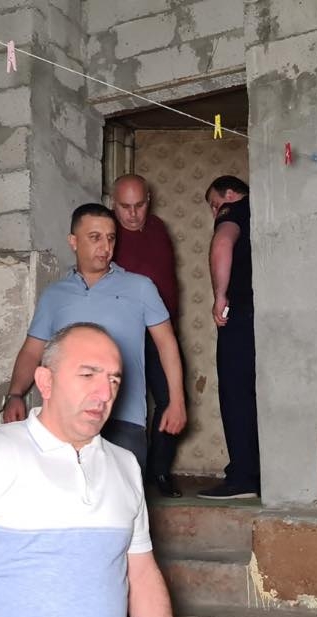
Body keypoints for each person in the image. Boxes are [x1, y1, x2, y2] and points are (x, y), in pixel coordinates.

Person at [0, 323, 175, 617]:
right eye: (88, 375)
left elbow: (142, 576)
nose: (105, 394)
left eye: (113, 379)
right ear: (45, 382)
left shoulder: (125, 465)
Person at [2, 203, 187, 472]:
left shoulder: (140, 287)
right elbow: (32, 350)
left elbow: (167, 345)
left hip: (124, 421)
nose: (105, 247)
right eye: (95, 237)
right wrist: (15, 394)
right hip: (65, 421)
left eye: (110, 238)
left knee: (124, 496)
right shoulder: (54, 295)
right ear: (73, 242)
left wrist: (176, 401)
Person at [111, 174, 184, 498]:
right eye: (124, 206)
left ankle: (159, 471)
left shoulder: (158, 228)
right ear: (113, 204)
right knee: (122, 403)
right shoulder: (107, 235)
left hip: (161, 332)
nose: (132, 214)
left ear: (149, 200)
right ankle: (125, 478)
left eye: (139, 205)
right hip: (122, 333)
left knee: (172, 399)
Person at [198, 175, 260, 500]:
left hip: (242, 313)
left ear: (231, 194)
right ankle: (260, 474)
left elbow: (222, 242)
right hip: (267, 315)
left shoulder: (234, 210)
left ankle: (242, 478)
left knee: (235, 393)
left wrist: (220, 295)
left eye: (214, 204)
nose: (215, 212)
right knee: (258, 394)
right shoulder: (263, 208)